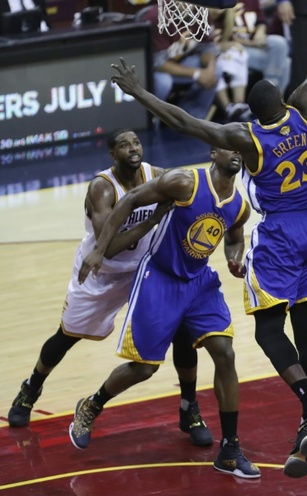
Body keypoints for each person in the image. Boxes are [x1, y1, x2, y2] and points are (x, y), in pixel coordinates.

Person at [109, 0, 307, 479]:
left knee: (268, 330)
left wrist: (139, 92)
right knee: (306, 327)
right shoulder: (304, 112)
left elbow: (185, 122)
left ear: (251, 116)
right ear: (285, 102)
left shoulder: (246, 139)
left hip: (283, 234)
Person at [6, 129, 213, 448]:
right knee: (68, 334)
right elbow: (111, 247)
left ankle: (189, 408)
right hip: (102, 271)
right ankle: (31, 388)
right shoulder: (102, 188)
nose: (133, 148)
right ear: (112, 154)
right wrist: (153, 219)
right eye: (123, 145)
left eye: (136, 142)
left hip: (145, 270)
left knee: (182, 329)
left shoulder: (154, 175)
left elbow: (192, 191)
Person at [71, 146, 260, 479]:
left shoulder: (239, 205)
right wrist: (100, 250)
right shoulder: (184, 182)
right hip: (159, 278)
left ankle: (230, 448)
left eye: (240, 148)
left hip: (199, 283)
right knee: (143, 368)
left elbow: (234, 237)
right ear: (213, 153)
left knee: (225, 354)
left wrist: (235, 256)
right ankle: (92, 404)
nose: (236, 153)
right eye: (229, 146)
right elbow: (130, 200)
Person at [142, 5, 218, 120]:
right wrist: (196, 74)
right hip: (153, 70)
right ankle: (151, 119)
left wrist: (210, 70)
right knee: (163, 82)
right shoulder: (156, 17)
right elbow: (157, 62)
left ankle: (193, 119)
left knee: (217, 69)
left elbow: (208, 47)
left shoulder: (200, 11)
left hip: (181, 63)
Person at [224, 0, 291, 97]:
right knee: (285, 63)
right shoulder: (223, 3)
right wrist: (251, 43)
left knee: (280, 43)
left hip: (253, 45)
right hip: (235, 48)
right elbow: (225, 35)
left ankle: (272, 98)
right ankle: (271, 97)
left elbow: (261, 21)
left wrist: (260, 31)